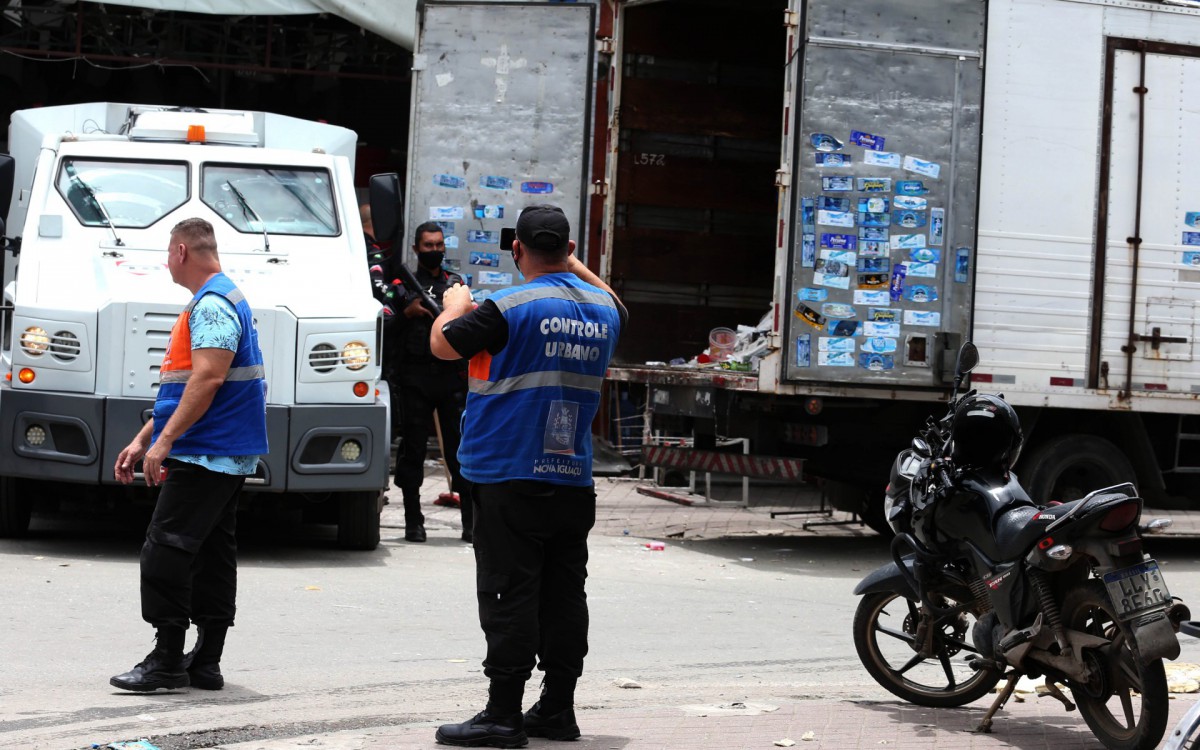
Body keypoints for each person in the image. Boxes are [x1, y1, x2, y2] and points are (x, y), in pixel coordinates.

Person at [430, 205, 626, 747]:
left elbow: (443, 343)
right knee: (564, 595)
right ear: (568, 250)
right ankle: (557, 710)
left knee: (508, 591)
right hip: (570, 477)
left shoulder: (506, 306)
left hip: (506, 472)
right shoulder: (605, 312)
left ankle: (502, 714)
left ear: (516, 248)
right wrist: (571, 264)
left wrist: (452, 304)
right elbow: (613, 298)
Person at [110, 217, 268, 692]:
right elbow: (189, 387)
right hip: (222, 451)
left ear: (181, 252)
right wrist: (144, 437)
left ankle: (166, 659)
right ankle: (207, 661)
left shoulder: (213, 305)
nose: (166, 263)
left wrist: (164, 443)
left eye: (167, 254)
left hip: (207, 452)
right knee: (213, 553)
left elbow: (208, 379)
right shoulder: (222, 298)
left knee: (167, 549)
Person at [390, 221, 472, 543]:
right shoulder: (402, 284)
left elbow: (469, 325)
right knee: (412, 451)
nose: (435, 251)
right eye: (428, 246)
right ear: (416, 249)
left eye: (439, 245)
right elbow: (386, 330)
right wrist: (407, 313)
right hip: (414, 379)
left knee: (460, 452)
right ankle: (414, 520)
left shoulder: (456, 285)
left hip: (450, 378)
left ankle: (470, 522)